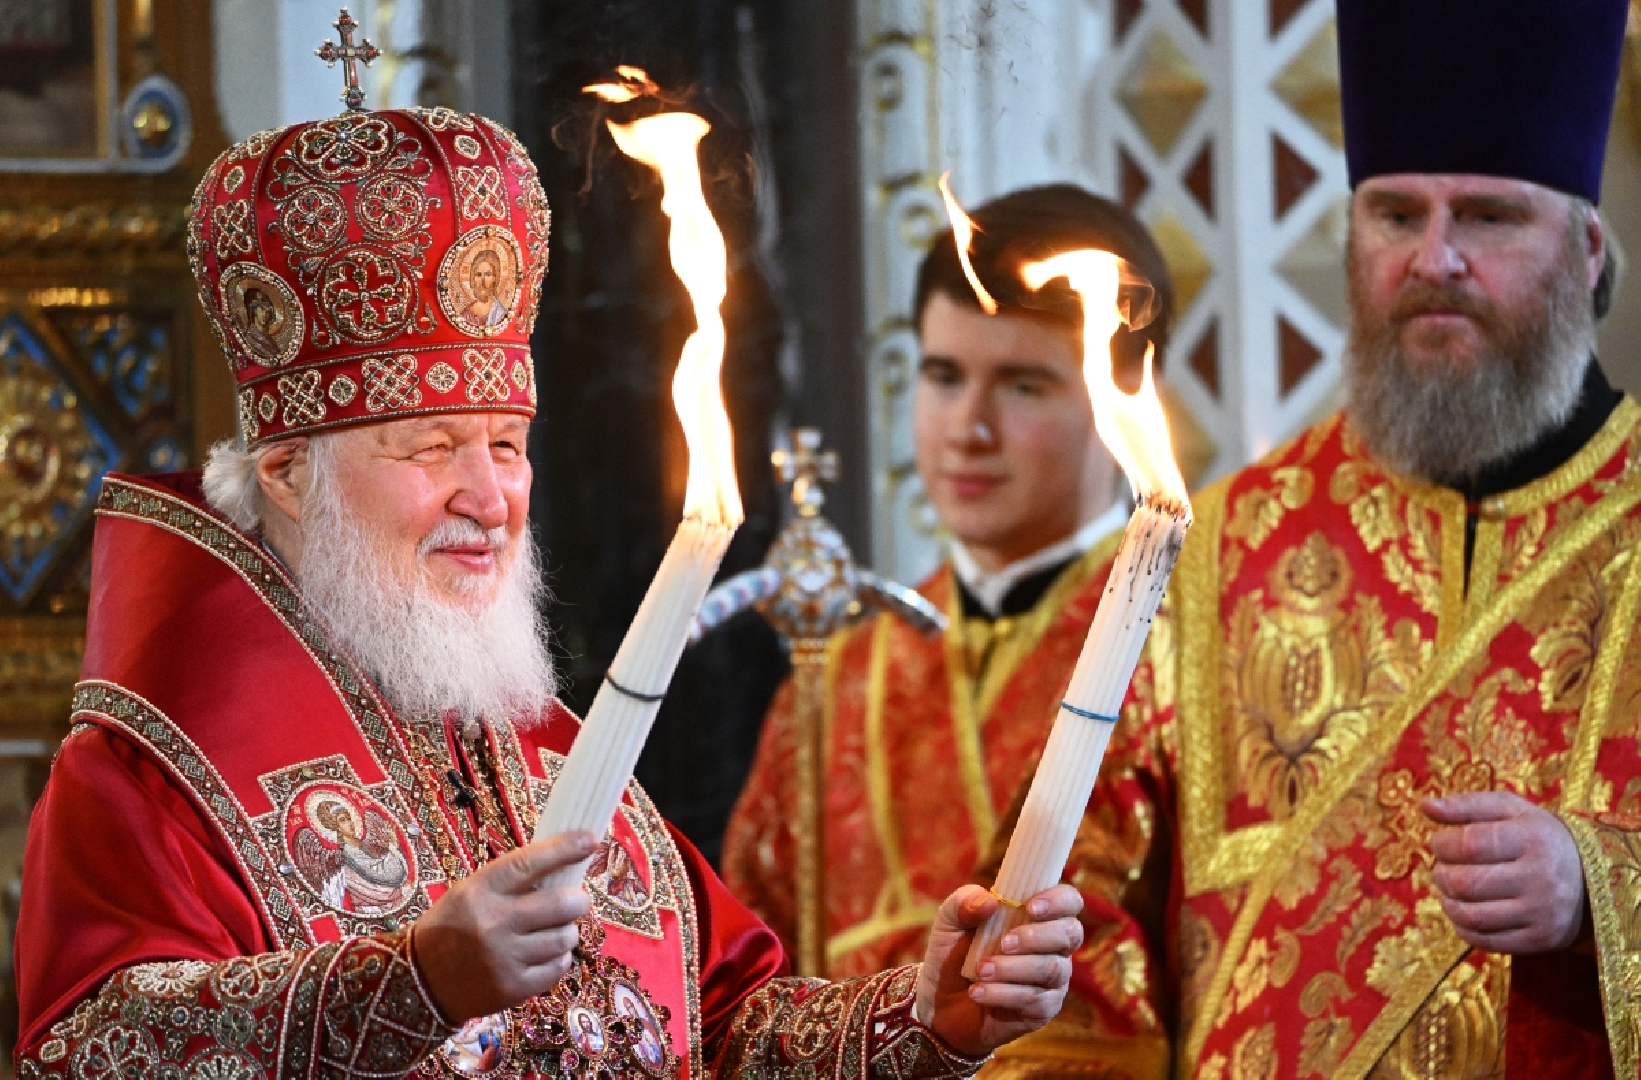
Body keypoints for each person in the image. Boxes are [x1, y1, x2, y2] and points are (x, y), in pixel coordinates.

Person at [12, 89, 1086, 1077]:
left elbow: (723, 1032)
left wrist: (923, 1018)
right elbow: (88, 1045)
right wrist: (413, 982)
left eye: (509, 445)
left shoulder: (546, 752)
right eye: (433, 447)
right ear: (293, 475)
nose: (490, 496)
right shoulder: (152, 775)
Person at [981, 1, 1641, 1076]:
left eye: (1488, 217)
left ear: (1588, 251)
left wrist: (1598, 888)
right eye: (1394, 215)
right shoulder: (1218, 547)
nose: (1436, 259)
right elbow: (1071, 919)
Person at [724, 186, 1175, 978]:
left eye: (1022, 385)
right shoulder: (836, 677)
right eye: (942, 376)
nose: (968, 428)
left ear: (1123, 398)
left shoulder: (1192, 645)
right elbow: (748, 984)